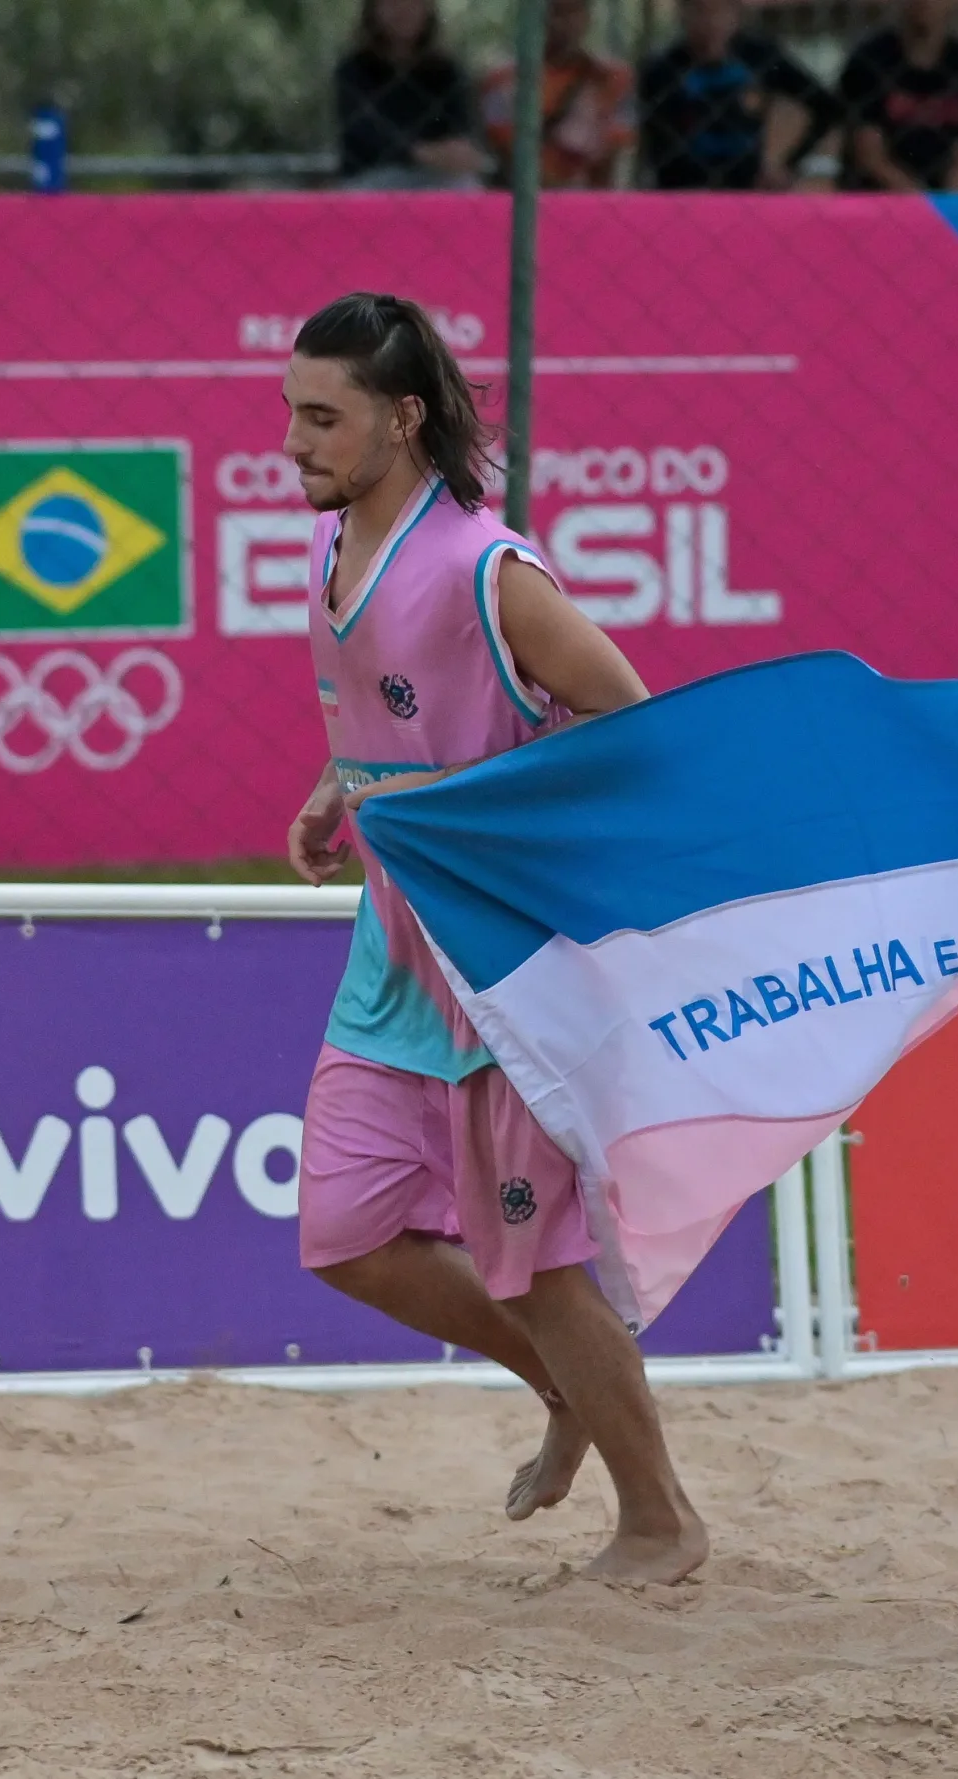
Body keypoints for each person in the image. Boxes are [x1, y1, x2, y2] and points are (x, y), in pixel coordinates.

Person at [280, 293, 707, 1584]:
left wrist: (505, 828)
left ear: (403, 418)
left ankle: (661, 1519)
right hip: (392, 952)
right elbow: (373, 718)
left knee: (534, 1263)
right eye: (290, 412)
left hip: (504, 967)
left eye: (322, 416)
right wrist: (337, 791)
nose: (294, 441)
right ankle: (566, 1391)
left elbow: (635, 728)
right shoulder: (333, 543)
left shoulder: (487, 571)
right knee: (343, 1230)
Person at [637, 0, 836, 192]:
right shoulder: (662, 70)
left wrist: (787, 163)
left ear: (736, 13)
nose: (711, 21)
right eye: (699, 9)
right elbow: (656, 142)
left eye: (720, 10)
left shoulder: (759, 56)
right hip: (684, 190)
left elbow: (826, 107)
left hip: (749, 189)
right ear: (682, 13)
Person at [836, 0, 958, 193]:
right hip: (876, 195)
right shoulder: (868, 61)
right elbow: (869, 155)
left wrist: (951, 204)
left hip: (940, 193)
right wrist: (921, 200)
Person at [479, 0, 635, 190]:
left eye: (574, 12)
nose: (564, 23)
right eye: (556, 12)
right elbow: (506, 152)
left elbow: (615, 151)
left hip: (592, 196)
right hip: (523, 192)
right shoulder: (500, 80)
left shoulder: (612, 78)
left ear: (588, 17)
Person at [336, 0, 489, 189]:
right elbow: (363, 133)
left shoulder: (448, 71)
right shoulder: (353, 70)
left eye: (414, 3)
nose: (403, 10)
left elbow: (464, 129)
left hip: (435, 177)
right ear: (372, 10)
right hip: (372, 176)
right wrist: (420, 153)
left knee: (466, 185)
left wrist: (461, 151)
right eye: (392, 3)